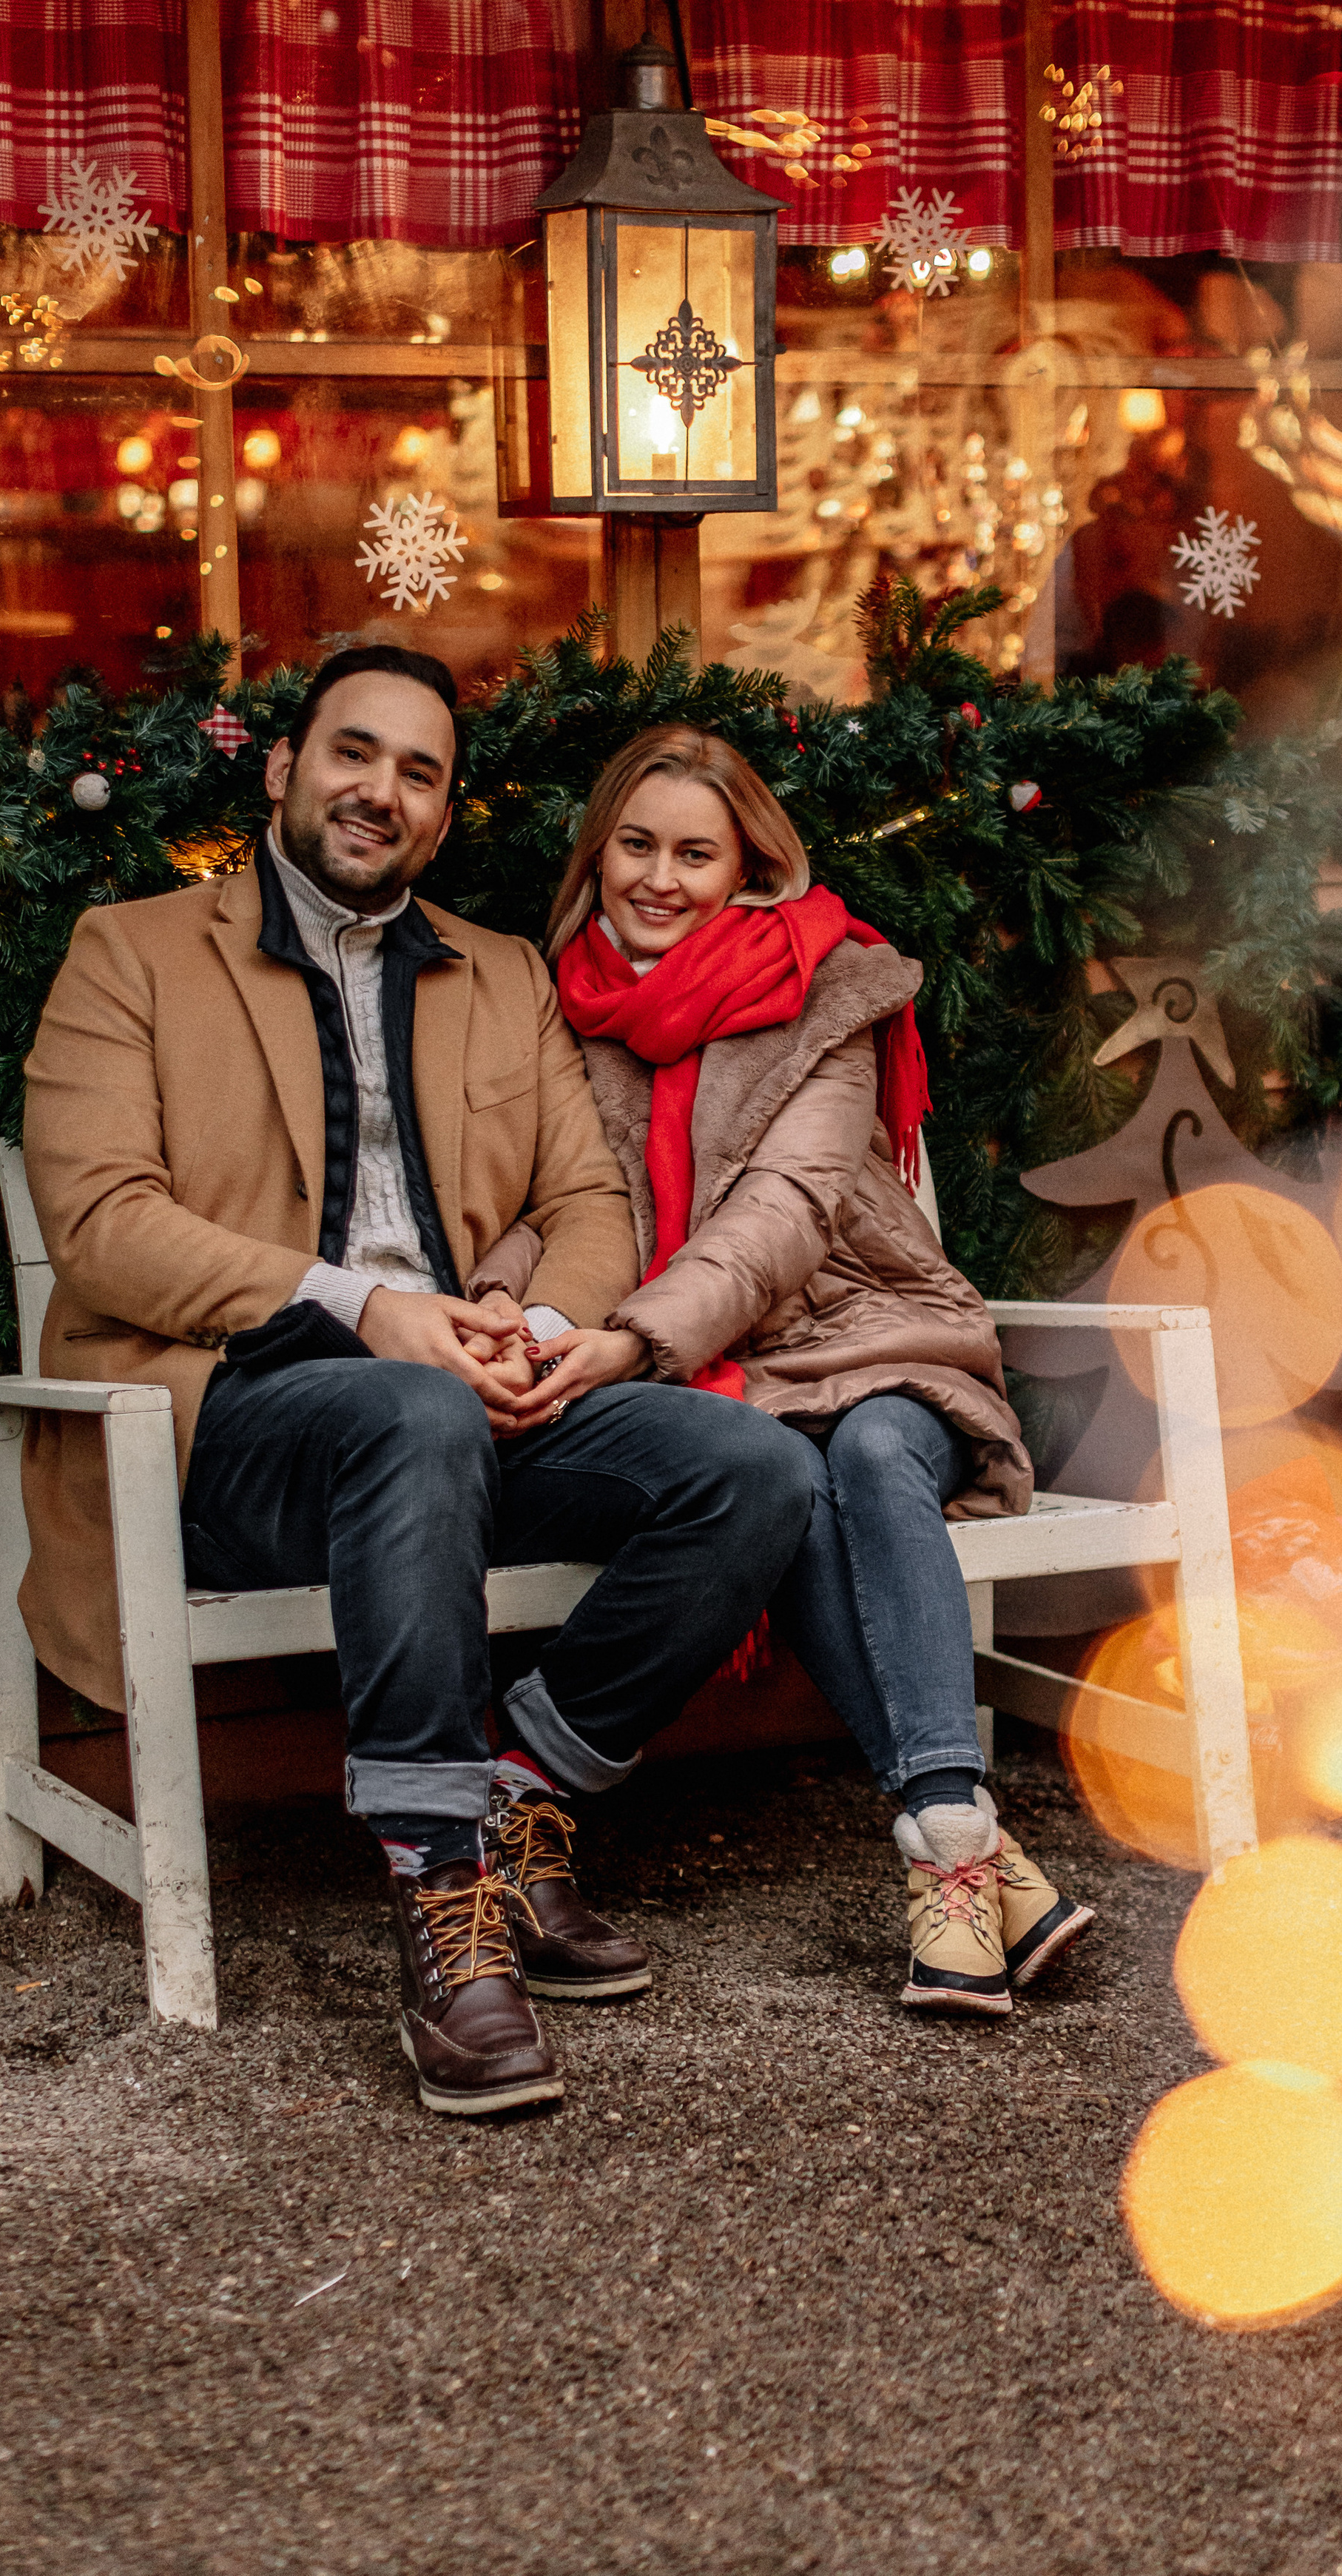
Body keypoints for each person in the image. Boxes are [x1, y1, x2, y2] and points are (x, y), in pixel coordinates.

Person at [18, 648, 815, 2118]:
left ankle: (517, 1801)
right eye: (352, 754)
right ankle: (439, 1893)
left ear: (445, 811)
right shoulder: (130, 953)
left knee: (753, 1469)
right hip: (225, 1424)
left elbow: (587, 1196)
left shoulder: (498, 973)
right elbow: (106, 1223)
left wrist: (528, 1321)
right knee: (410, 1402)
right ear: (284, 769)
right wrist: (371, 1310)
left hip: (461, 1403)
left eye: (417, 772)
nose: (378, 791)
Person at [541, 722, 1096, 2018]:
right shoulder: (562, 1008)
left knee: (857, 1450)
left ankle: (947, 1849)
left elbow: (781, 1217)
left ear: (748, 866)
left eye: (696, 852)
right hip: (731, 1372)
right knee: (781, 1473)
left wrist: (631, 1342)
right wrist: (516, 1313)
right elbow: (554, 1201)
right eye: (637, 846)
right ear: (599, 853)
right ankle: (970, 1859)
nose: (661, 879)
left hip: (876, 1336)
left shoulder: (828, 990)